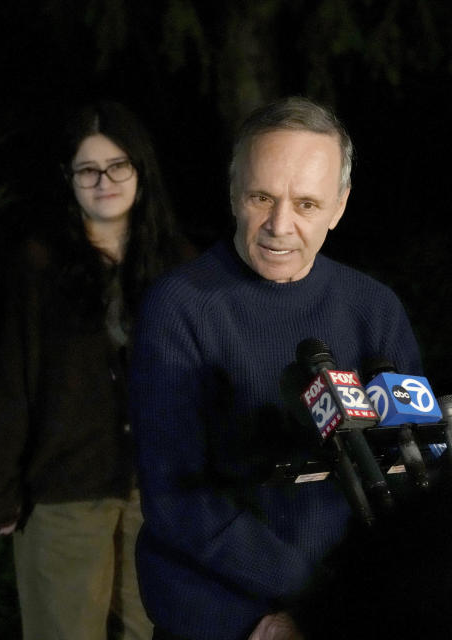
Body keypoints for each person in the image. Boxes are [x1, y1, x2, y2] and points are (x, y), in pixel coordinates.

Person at [128, 96, 423, 640]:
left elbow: (413, 467)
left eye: (306, 204)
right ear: (234, 191)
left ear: (339, 206)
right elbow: (176, 497)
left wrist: (349, 603)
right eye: (263, 197)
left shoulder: (374, 308)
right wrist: (304, 601)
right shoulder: (179, 307)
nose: (279, 225)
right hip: (223, 617)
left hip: (348, 610)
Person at [0, 101, 183, 640]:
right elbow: (13, 383)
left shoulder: (179, 267)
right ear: (69, 179)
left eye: (117, 166)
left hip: (154, 496)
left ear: (141, 171)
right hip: (66, 493)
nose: (104, 181)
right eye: (89, 170)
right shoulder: (38, 266)